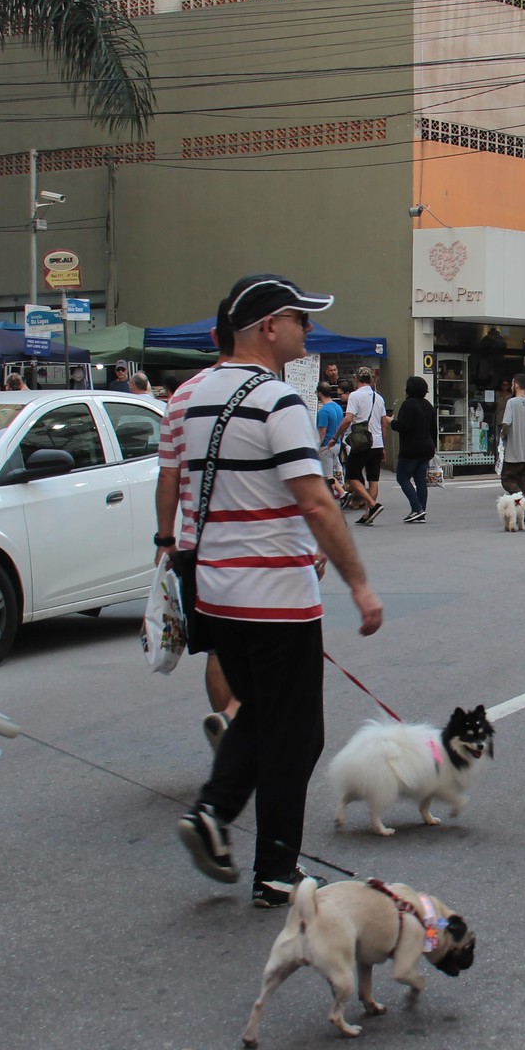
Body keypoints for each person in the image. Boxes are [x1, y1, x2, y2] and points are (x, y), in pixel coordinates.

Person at [158, 273, 383, 908]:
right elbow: (315, 500)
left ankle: (222, 823)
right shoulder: (278, 402)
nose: (308, 331)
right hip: (275, 597)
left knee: (259, 713)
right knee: (298, 731)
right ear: (267, 327)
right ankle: (271, 864)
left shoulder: (194, 398)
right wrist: (359, 585)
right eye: (300, 319)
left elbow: (185, 488)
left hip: (217, 592)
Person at [342, 367, 388, 524]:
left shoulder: (355, 396)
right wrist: (383, 446)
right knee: (373, 479)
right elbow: (384, 424)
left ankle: (372, 505)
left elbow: (348, 419)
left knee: (351, 475)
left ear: (357, 379)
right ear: (371, 380)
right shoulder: (379, 398)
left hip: (362, 442)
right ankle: (368, 514)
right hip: (377, 442)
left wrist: (336, 436)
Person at [389, 375, 437, 524]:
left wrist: (391, 422)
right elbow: (433, 429)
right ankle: (420, 511)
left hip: (411, 448)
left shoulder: (408, 404)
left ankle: (417, 508)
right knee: (420, 480)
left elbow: (403, 426)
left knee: (402, 477)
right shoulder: (428, 405)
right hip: (427, 447)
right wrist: (433, 445)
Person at [499, 374, 525, 496]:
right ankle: (523, 507)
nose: (511, 386)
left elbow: (506, 424)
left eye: (512, 383)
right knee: (522, 482)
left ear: (516, 384)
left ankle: (520, 497)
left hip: (513, 452)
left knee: (507, 480)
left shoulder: (511, 402)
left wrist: (503, 438)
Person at [314, 382, 346, 498]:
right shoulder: (337, 407)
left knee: (327, 475)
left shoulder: (323, 411)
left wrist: (316, 446)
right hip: (336, 443)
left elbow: (322, 432)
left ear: (320, 393)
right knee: (332, 472)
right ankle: (334, 494)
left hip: (326, 445)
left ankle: (342, 493)